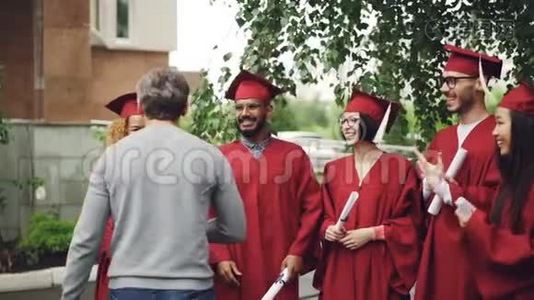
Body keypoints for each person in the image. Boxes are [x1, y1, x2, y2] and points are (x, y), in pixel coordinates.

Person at [62, 67, 246, 300]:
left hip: (129, 288)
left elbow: (86, 240)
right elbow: (235, 229)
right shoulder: (210, 156)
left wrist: (70, 297)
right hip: (192, 287)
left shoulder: (112, 158)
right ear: (186, 107)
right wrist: (191, 228)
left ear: (140, 105)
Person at [209, 70, 322, 300]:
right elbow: (205, 210)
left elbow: (313, 208)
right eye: (239, 108)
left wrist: (298, 251)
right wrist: (219, 256)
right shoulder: (220, 157)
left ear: (268, 110)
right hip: (234, 266)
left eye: (252, 106)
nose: (244, 113)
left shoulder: (293, 156)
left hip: (280, 265)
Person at [314, 90, 422, 300]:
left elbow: (413, 222)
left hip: (380, 264)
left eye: (353, 120)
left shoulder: (399, 168)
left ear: (370, 122)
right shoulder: (333, 169)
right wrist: (328, 229)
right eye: (343, 120)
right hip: (341, 263)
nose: (346, 126)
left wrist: (372, 233)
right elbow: (322, 216)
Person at [415, 44, 503, 300]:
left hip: (474, 255)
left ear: (479, 83)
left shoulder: (498, 136)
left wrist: (451, 192)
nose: (444, 88)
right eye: (443, 81)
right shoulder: (441, 138)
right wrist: (425, 189)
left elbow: (501, 202)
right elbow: (418, 208)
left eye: (452, 81)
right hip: (437, 253)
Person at [455, 81, 534, 299]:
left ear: (522, 128)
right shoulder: (513, 182)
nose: (494, 131)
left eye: (500, 123)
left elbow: (526, 253)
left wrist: (477, 227)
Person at [94, 92, 144, 300]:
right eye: (135, 130)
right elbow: (100, 220)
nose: (142, 136)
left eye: (146, 129)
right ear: (122, 131)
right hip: (119, 260)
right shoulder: (110, 167)